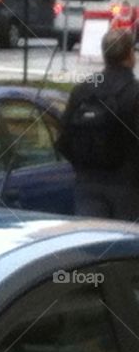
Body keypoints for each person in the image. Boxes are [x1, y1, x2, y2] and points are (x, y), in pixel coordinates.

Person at [56, 28, 139, 220]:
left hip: (87, 185)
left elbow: (63, 140)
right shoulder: (134, 93)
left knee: (93, 243)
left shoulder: (82, 91)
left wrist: (83, 166)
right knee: (127, 246)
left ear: (104, 54)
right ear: (129, 56)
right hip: (129, 189)